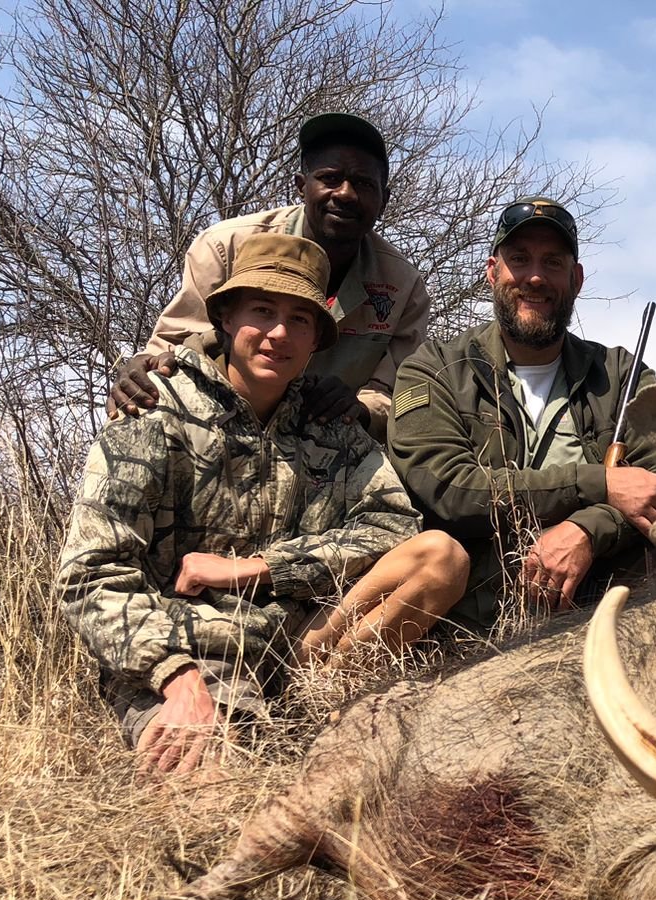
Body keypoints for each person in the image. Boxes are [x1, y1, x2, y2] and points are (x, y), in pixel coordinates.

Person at [60, 232, 468, 778]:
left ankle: (313, 708)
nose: (280, 334)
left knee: (440, 556)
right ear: (225, 317)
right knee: (216, 803)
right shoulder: (155, 410)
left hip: (298, 646)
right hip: (189, 655)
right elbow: (89, 577)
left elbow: (393, 522)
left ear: (317, 337)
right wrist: (176, 677)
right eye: (262, 311)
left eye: (301, 319)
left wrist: (261, 570)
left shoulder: (328, 424)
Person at [387, 197, 656, 630]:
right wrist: (600, 483)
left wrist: (588, 529)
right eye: (519, 259)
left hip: (601, 617)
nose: (535, 276)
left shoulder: (622, 373)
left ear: (576, 278)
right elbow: (449, 489)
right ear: (492, 272)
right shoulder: (433, 369)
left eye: (552, 262)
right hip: (465, 628)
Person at [108, 112, 427, 435]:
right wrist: (142, 370)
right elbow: (173, 346)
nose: (345, 193)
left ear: (383, 201)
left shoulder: (402, 286)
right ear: (302, 187)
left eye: (363, 183)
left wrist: (360, 408)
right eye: (330, 178)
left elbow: (396, 391)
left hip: (326, 445)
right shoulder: (226, 247)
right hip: (212, 431)